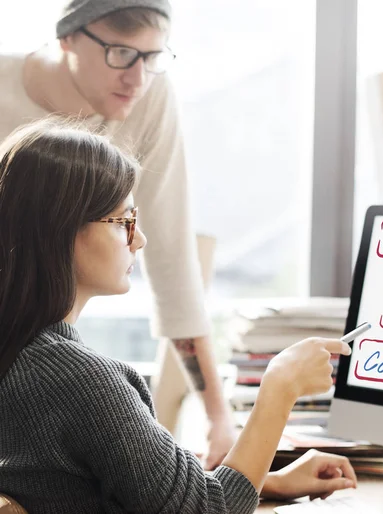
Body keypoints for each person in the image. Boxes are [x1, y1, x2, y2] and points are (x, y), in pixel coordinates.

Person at [0, 118, 357, 513]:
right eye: (124, 222)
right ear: (61, 231)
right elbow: (208, 510)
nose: (140, 240)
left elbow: (95, 488)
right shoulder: (78, 381)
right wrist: (280, 388)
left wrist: (265, 482)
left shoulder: (22, 357)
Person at [0, 0, 236, 468]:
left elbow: (171, 258)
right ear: (67, 37)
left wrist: (218, 417)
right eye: (121, 53)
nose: (138, 78)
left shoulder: (150, 94)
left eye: (153, 57)